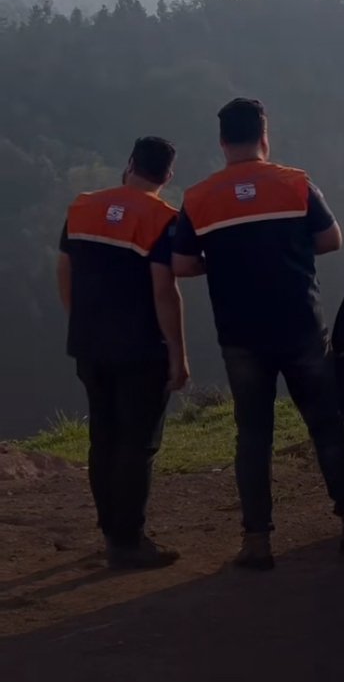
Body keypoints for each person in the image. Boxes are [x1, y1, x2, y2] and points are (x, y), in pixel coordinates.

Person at [171, 97, 344, 570]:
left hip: (241, 335)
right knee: (325, 424)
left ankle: (257, 542)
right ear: (265, 137)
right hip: (300, 326)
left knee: (253, 434)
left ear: (222, 142)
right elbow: (331, 240)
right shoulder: (295, 183)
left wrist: (223, 261)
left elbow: (182, 264)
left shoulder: (199, 198)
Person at [57, 136, 189, 570]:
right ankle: (127, 540)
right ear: (167, 176)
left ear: (129, 163)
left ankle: (111, 529)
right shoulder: (162, 218)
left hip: (90, 345)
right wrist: (177, 353)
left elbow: (65, 270)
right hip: (140, 350)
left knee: (104, 438)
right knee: (137, 444)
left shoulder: (82, 207)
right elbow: (163, 290)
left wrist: (80, 320)